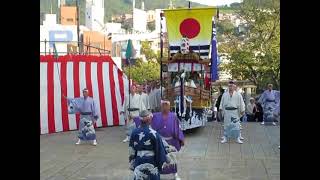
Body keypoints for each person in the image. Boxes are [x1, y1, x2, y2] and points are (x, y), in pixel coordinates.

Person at [129, 110, 168, 180]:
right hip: (151, 161)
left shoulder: (134, 132)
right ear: (149, 119)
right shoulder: (154, 134)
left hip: (139, 160)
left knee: (139, 177)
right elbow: (159, 151)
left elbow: (131, 149)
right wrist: (160, 164)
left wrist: (132, 162)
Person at [151, 100, 185, 180]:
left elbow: (178, 128)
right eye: (163, 105)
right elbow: (145, 118)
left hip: (171, 141)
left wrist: (181, 138)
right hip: (159, 141)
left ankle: (175, 174)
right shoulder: (155, 115)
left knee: (172, 158)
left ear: (169, 107)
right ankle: (157, 174)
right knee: (158, 158)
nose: (165, 106)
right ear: (161, 106)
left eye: (166, 105)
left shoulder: (173, 116)